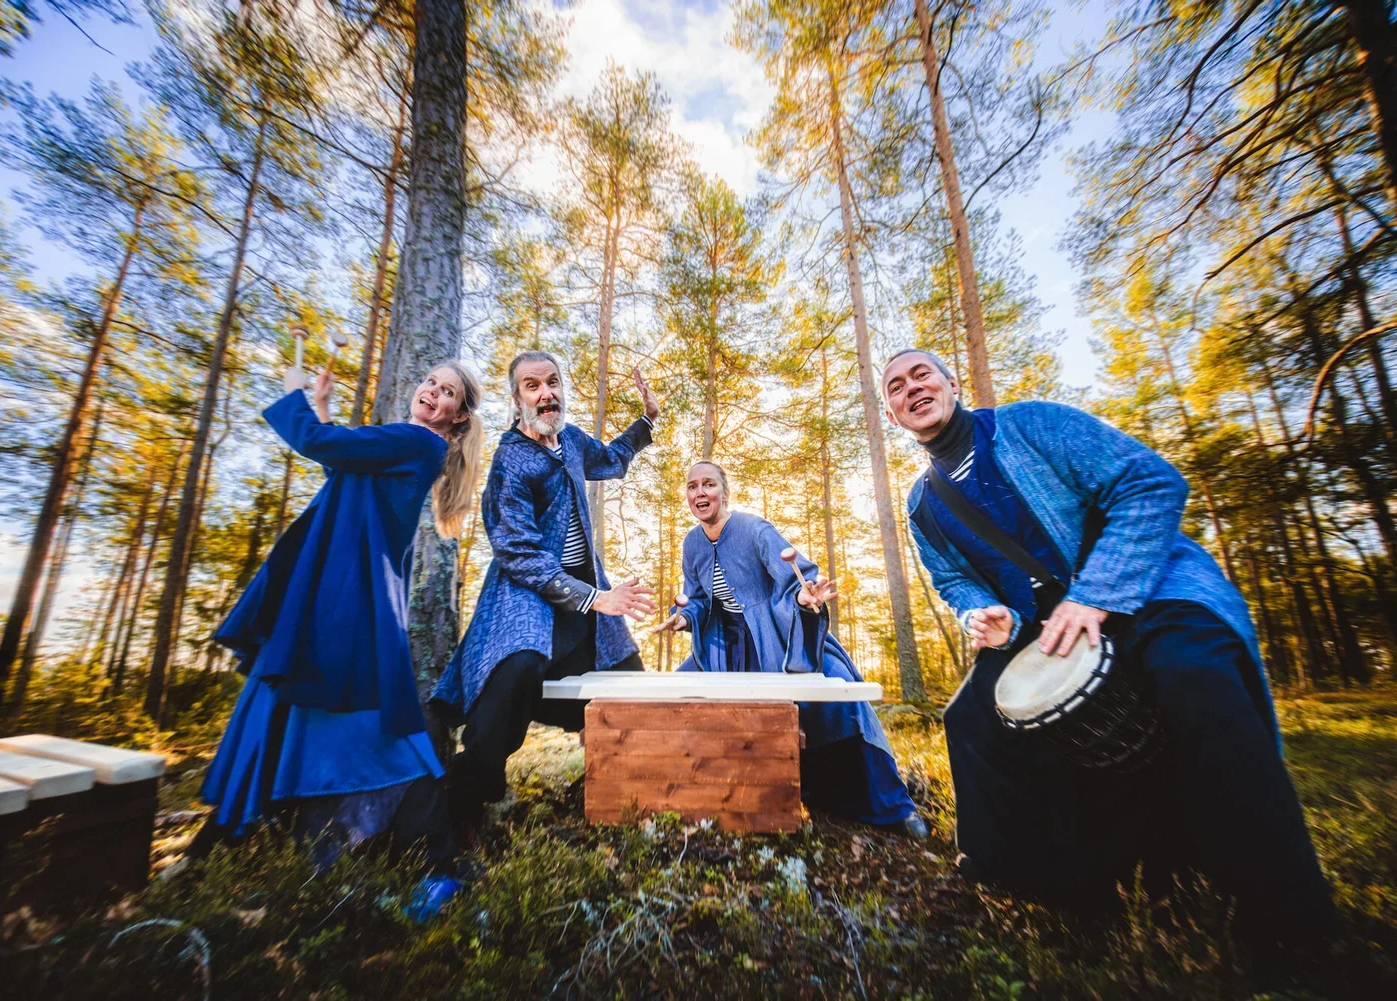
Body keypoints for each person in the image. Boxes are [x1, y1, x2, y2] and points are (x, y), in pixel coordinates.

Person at [881, 348, 1338, 953]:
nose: (911, 388)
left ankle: (1287, 912)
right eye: (895, 386)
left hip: (1149, 588)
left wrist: (1097, 593)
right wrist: (980, 613)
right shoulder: (922, 503)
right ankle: (1043, 883)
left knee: (1194, 675)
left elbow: (1150, 482)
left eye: (922, 374)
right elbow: (954, 579)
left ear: (952, 383)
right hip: (1042, 628)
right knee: (971, 718)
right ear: (891, 414)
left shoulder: (1033, 424)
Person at [194, 358, 484, 889]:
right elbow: (346, 469)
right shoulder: (408, 445)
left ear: (457, 417)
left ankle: (425, 851)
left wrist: (297, 398)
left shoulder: (419, 442)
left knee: (354, 702)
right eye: (430, 383)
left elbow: (321, 446)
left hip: (351, 587)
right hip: (341, 579)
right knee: (303, 694)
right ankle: (242, 835)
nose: (432, 393)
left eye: (447, 393)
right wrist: (325, 410)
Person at [433, 351, 659, 831]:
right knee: (517, 669)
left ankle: (621, 786)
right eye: (532, 386)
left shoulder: (573, 440)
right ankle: (462, 811)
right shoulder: (511, 457)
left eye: (552, 382)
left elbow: (612, 459)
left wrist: (646, 420)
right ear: (517, 400)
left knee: (629, 681)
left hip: (586, 601)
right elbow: (517, 550)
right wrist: (597, 597)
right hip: (527, 596)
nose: (546, 393)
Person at [653, 462, 928, 837]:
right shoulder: (691, 543)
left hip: (776, 639)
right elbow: (698, 598)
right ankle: (684, 794)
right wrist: (684, 618)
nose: (700, 493)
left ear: (724, 491)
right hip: (724, 646)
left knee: (837, 693)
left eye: (709, 484)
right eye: (692, 486)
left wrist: (803, 594)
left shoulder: (754, 529)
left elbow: (793, 579)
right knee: (670, 697)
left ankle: (895, 808)